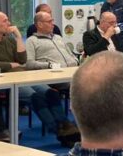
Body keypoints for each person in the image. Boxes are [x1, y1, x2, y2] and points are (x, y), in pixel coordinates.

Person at [23, 12, 80, 144]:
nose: (53, 24)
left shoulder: (58, 38)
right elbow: (29, 64)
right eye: (49, 21)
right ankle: (64, 128)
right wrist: (49, 65)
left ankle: (88, 127)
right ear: (39, 24)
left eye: (52, 20)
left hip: (72, 73)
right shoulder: (32, 41)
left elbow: (71, 55)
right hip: (52, 77)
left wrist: (76, 61)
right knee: (50, 95)